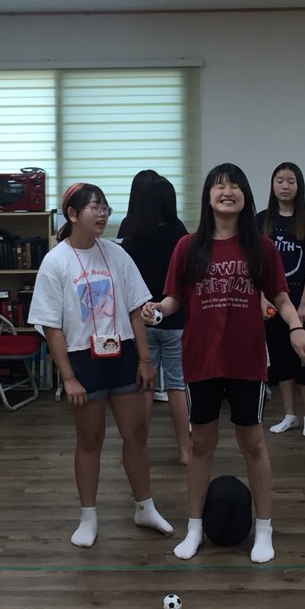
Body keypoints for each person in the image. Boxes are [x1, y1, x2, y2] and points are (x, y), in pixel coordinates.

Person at [144, 163, 305, 564]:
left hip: (246, 360)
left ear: (245, 196)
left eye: (235, 185)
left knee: (252, 442)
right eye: (219, 185)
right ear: (208, 197)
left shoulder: (261, 246)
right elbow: (173, 299)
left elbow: (281, 296)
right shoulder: (187, 247)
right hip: (200, 359)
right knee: (200, 444)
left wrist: (295, 327)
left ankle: (264, 529)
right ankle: (195, 527)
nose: (227, 191)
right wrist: (156, 309)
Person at [28, 182, 173, 548]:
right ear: (73, 214)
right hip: (83, 358)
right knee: (90, 440)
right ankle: (88, 516)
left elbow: (136, 310)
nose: (103, 214)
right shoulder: (55, 261)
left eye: (105, 207)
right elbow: (51, 327)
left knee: (136, 435)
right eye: (94, 207)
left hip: (123, 353)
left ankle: (145, 507)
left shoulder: (117, 253)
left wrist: (145, 360)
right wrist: (68, 378)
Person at [119, 170, 191, 465]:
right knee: (177, 386)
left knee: (144, 385)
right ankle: (185, 451)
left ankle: (139, 449)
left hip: (140, 320)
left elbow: (123, 279)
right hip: (175, 318)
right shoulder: (179, 231)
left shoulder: (129, 230)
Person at [257, 162, 305, 437]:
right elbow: (255, 265)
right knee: (280, 361)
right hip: (271, 305)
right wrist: (262, 298)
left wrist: (304, 305)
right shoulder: (261, 220)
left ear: (299, 186)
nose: (285, 186)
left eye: (291, 181)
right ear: (272, 185)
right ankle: (290, 416)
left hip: (303, 304)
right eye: (279, 180)